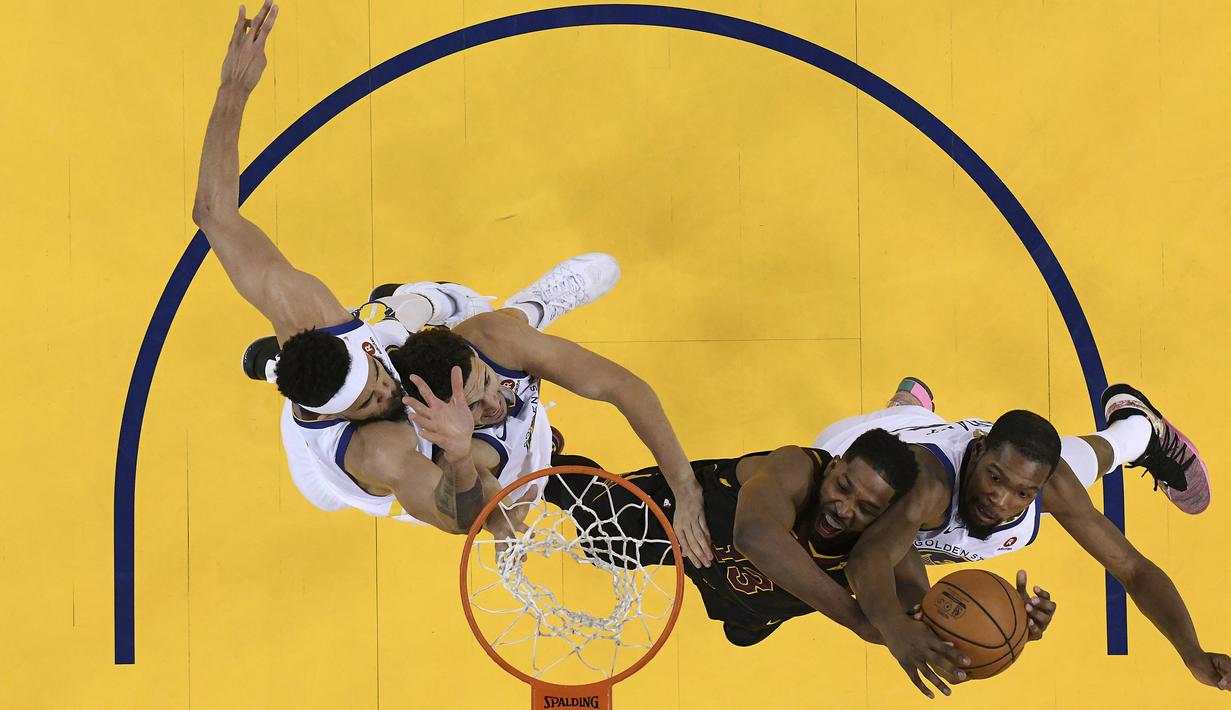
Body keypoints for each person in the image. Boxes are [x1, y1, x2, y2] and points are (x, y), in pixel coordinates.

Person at [823, 379, 1229, 697]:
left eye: (1023, 493)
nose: (999, 501)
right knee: (853, 536)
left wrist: (1192, 655)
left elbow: (1134, 569)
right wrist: (898, 631)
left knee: (1086, 462)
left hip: (981, 458)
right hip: (861, 451)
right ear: (979, 452)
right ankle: (905, 410)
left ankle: (1138, 429)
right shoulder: (925, 485)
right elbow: (870, 561)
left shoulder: (1046, 483)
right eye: (994, 479)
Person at [546, 429, 930, 646]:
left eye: (866, 509)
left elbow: (914, 605)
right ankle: (539, 454)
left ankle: (907, 408)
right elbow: (754, 536)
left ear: (884, 517)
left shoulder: (885, 543)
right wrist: (862, 622)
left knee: (740, 635)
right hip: (694, 523)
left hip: (748, 596)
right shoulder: (795, 467)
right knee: (600, 538)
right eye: (843, 487)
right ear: (832, 467)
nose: (844, 509)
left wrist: (923, 631)